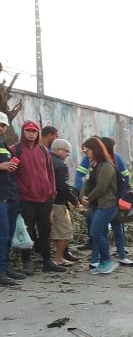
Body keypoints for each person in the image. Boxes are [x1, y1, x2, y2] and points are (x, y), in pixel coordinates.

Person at [12, 121, 62, 274]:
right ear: (23, 132)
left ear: (38, 133)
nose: (32, 134)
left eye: (34, 131)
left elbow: (50, 172)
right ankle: (27, 262)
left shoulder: (43, 150)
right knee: (27, 231)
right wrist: (19, 193)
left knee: (45, 229)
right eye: (28, 131)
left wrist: (52, 192)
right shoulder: (16, 150)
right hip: (26, 198)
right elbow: (12, 175)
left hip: (45, 198)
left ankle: (47, 261)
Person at [78, 136, 120, 274]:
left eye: (87, 151)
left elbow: (102, 187)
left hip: (107, 205)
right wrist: (82, 196)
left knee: (95, 232)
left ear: (95, 150)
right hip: (98, 205)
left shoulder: (107, 166)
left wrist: (88, 198)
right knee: (98, 232)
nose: (86, 154)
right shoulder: (95, 165)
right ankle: (103, 262)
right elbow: (89, 182)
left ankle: (107, 261)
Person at [100, 136, 133, 267]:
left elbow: (125, 176)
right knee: (105, 230)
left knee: (114, 228)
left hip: (111, 201)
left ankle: (118, 256)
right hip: (106, 201)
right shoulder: (99, 160)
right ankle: (108, 257)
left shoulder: (115, 158)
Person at [49, 138, 78, 266]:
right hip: (59, 202)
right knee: (64, 231)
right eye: (67, 151)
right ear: (58, 149)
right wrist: (74, 200)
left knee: (53, 231)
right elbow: (62, 187)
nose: (67, 154)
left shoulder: (47, 160)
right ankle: (58, 258)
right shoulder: (60, 165)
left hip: (46, 201)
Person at [0, 114, 21, 285]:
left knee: (8, 235)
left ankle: (5, 268)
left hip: (10, 197)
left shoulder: (4, 145)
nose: (0, 128)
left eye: (2, 125)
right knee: (2, 234)